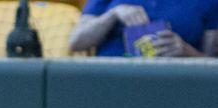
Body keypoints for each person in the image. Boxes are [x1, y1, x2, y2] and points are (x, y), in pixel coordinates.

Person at [69, 1, 218, 56]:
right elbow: (76, 42)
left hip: (176, 86)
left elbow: (212, 66)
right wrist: (112, 15)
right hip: (111, 82)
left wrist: (188, 53)